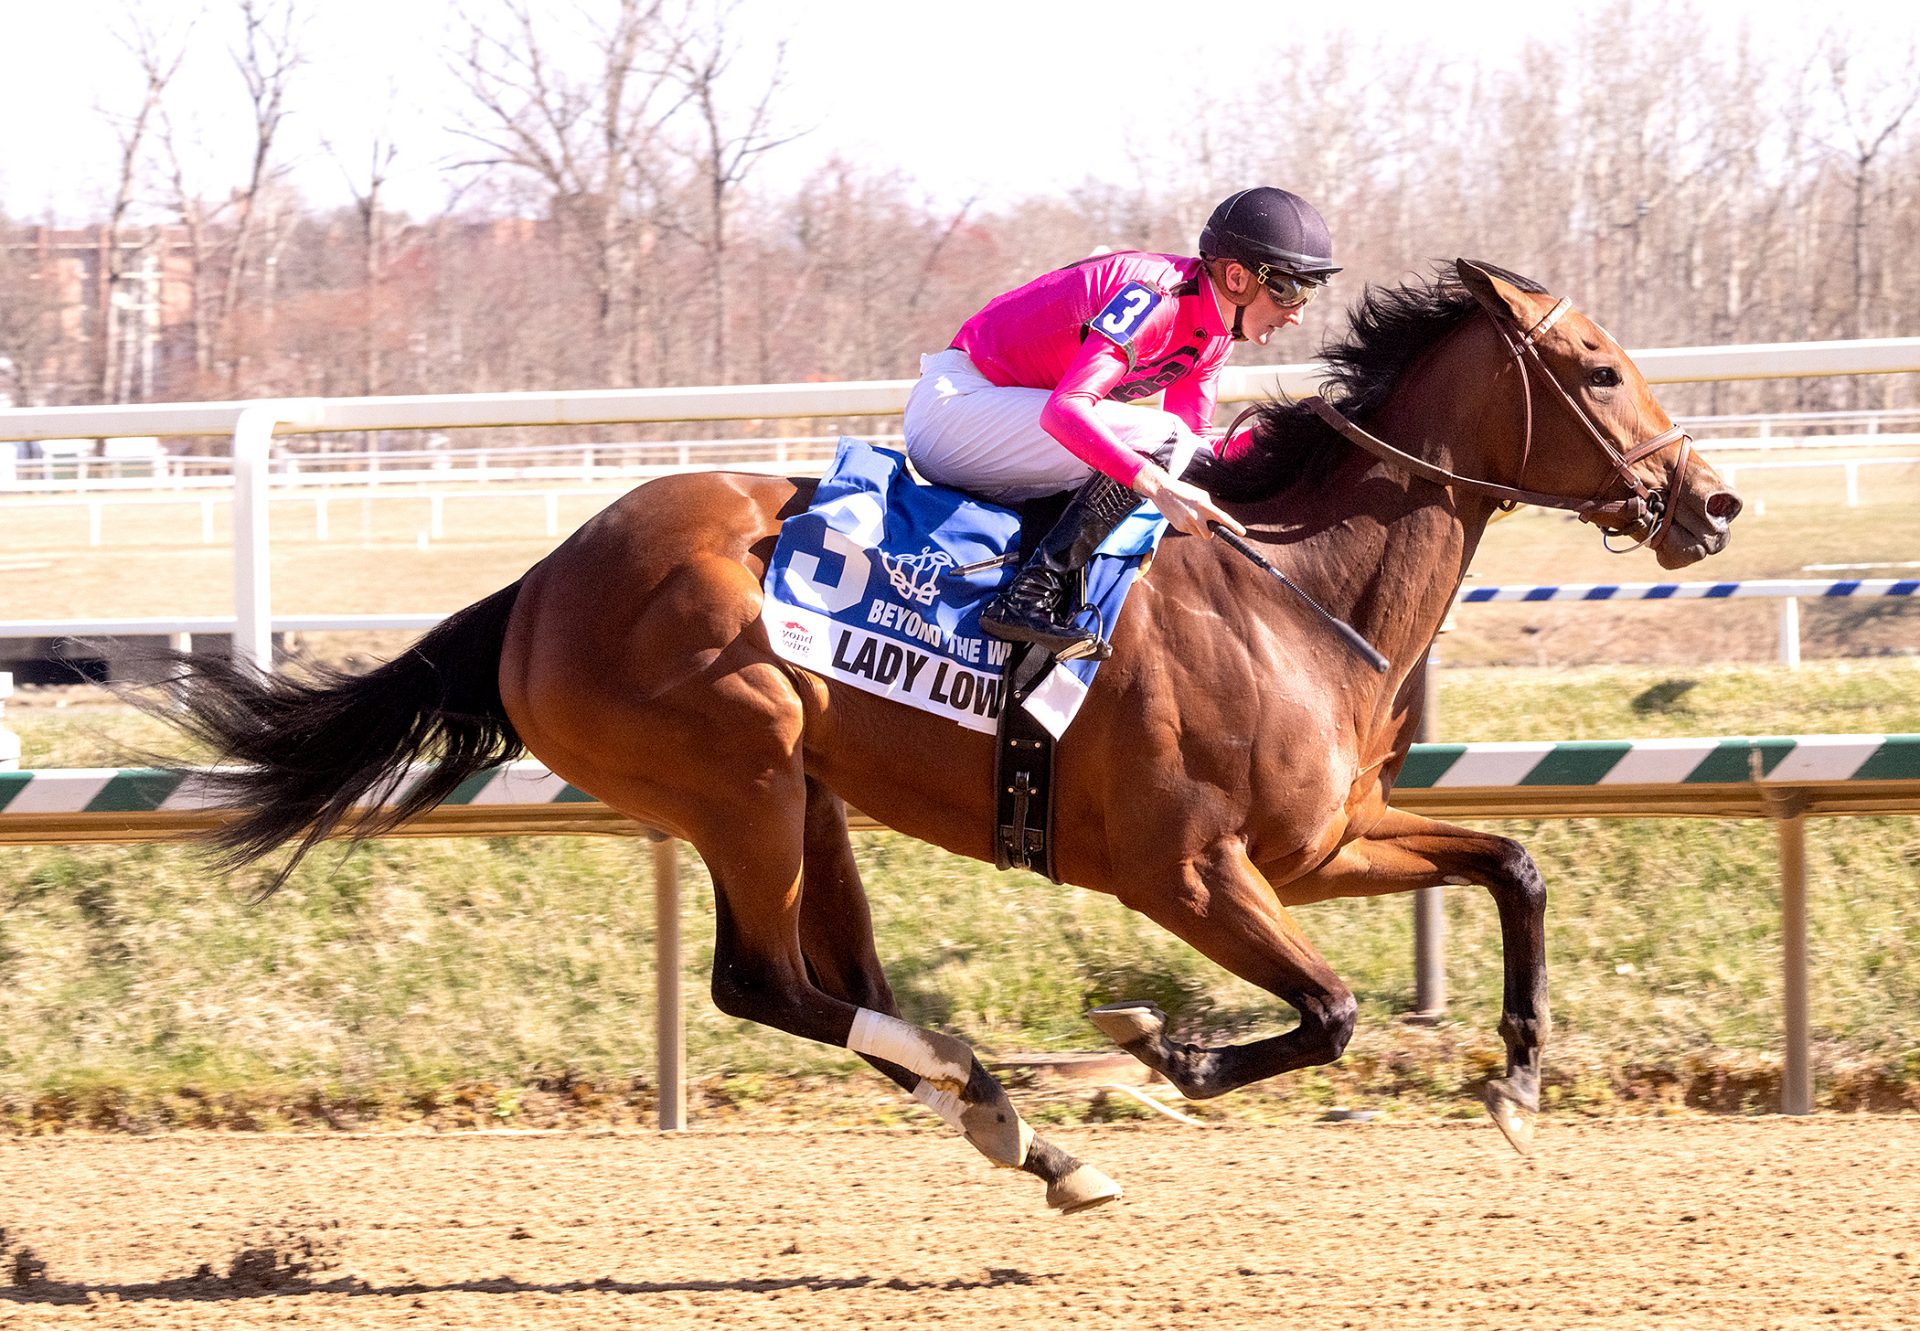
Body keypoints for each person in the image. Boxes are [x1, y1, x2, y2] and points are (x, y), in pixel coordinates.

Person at [904, 186, 1339, 662]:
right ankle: (1031, 593)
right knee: (1163, 447)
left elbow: (1193, 448)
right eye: (1289, 289)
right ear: (1236, 277)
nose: (1297, 314)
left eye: (1309, 293)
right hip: (956, 408)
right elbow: (1065, 411)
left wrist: (1304, 439)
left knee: (1179, 448)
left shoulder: (1214, 337)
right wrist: (1155, 483)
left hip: (1000, 420)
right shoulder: (1155, 299)